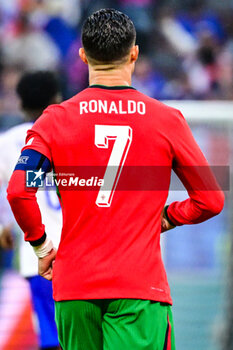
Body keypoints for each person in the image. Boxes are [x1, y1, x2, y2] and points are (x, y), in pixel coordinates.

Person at [7, 9, 224, 350]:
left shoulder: (55, 121)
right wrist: (168, 216)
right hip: (139, 289)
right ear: (134, 53)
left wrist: (41, 245)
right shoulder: (165, 121)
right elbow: (210, 200)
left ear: (83, 55)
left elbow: (20, 190)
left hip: (75, 288)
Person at [0, 71, 62, 350]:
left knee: (51, 337)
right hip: (80, 250)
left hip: (38, 254)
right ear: (57, 99)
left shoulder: (9, 142)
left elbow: (11, 190)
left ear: (21, 103)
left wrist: (3, 226)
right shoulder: (71, 133)